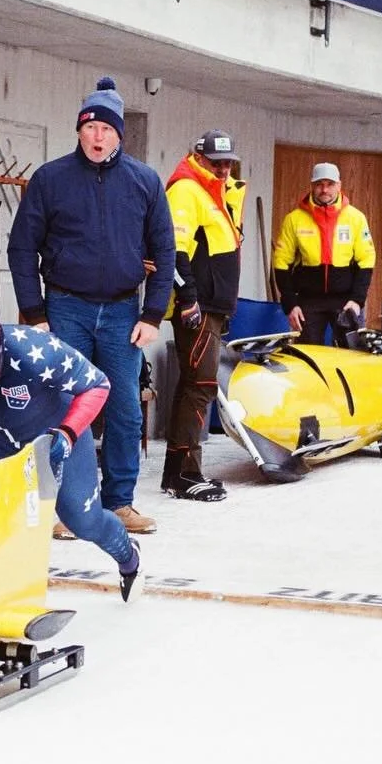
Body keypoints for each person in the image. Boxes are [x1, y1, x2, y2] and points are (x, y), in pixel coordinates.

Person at [8, 77, 175, 537]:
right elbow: (22, 248)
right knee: (61, 407)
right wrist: (34, 311)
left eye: (107, 128)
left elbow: (165, 253)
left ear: (120, 133)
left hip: (125, 315)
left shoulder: (144, 182)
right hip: (66, 310)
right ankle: (63, 507)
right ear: (79, 131)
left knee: (124, 407)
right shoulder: (50, 180)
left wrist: (152, 314)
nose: (98, 136)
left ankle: (119, 502)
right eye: (90, 127)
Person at [0, 286, 143, 602]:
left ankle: (129, 557)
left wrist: (67, 432)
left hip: (52, 441)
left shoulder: (34, 352)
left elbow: (97, 384)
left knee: (82, 520)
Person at [160, 129, 246, 502]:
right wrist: (189, 298)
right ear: (199, 157)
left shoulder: (214, 190)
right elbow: (174, 250)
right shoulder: (186, 190)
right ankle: (186, 474)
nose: (224, 169)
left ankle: (177, 472)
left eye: (228, 162)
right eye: (216, 162)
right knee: (201, 387)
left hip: (213, 306)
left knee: (193, 385)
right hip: (199, 307)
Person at [272, 162, 375, 347]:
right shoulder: (293, 219)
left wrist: (357, 300)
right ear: (311, 186)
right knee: (308, 359)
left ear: (339, 186)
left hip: (346, 301)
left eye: (330, 184)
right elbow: (281, 262)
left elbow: (366, 259)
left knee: (352, 357)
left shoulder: (356, 218)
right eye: (319, 184)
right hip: (308, 302)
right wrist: (290, 304)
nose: (324, 189)